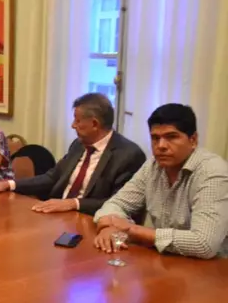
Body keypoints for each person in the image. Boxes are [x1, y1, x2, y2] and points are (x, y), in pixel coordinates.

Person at [93, 103, 228, 259]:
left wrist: (130, 229)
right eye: (155, 138)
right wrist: (109, 227)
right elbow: (115, 204)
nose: (161, 146)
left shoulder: (212, 172)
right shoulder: (153, 166)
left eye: (172, 137)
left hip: (212, 267)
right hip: (167, 260)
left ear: (193, 140)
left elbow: (204, 244)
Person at [0, 93, 146, 215]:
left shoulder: (128, 155)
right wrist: (9, 184)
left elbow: (120, 202)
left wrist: (73, 204)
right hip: (57, 215)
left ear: (94, 124)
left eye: (77, 120)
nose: (73, 125)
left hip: (92, 223)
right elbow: (52, 177)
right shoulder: (79, 145)